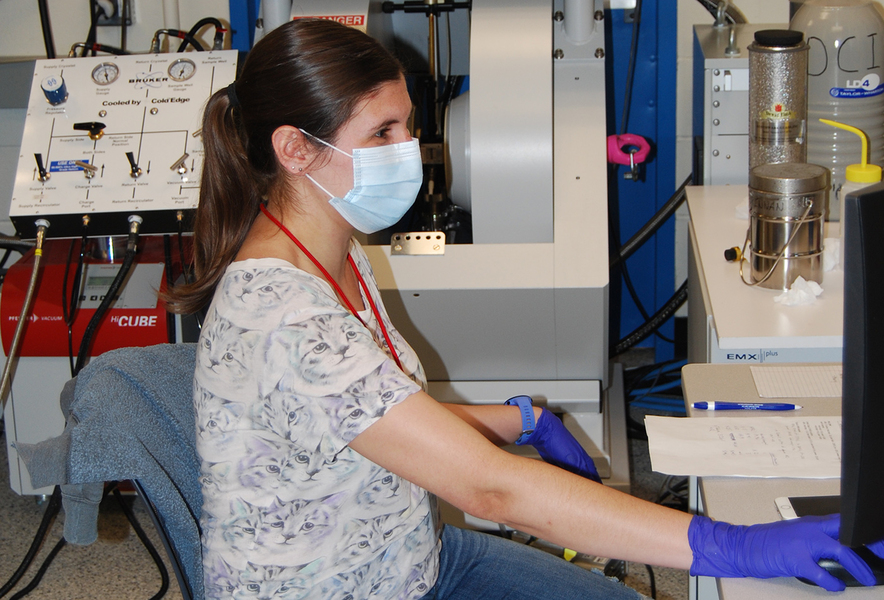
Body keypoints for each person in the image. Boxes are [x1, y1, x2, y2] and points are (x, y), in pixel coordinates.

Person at [165, 18, 884, 599]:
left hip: (411, 561)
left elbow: (378, 423)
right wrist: (732, 545)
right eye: (381, 133)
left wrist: (526, 418)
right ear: (295, 148)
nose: (410, 150)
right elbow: (490, 489)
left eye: (408, 125)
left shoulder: (332, 249)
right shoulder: (283, 314)